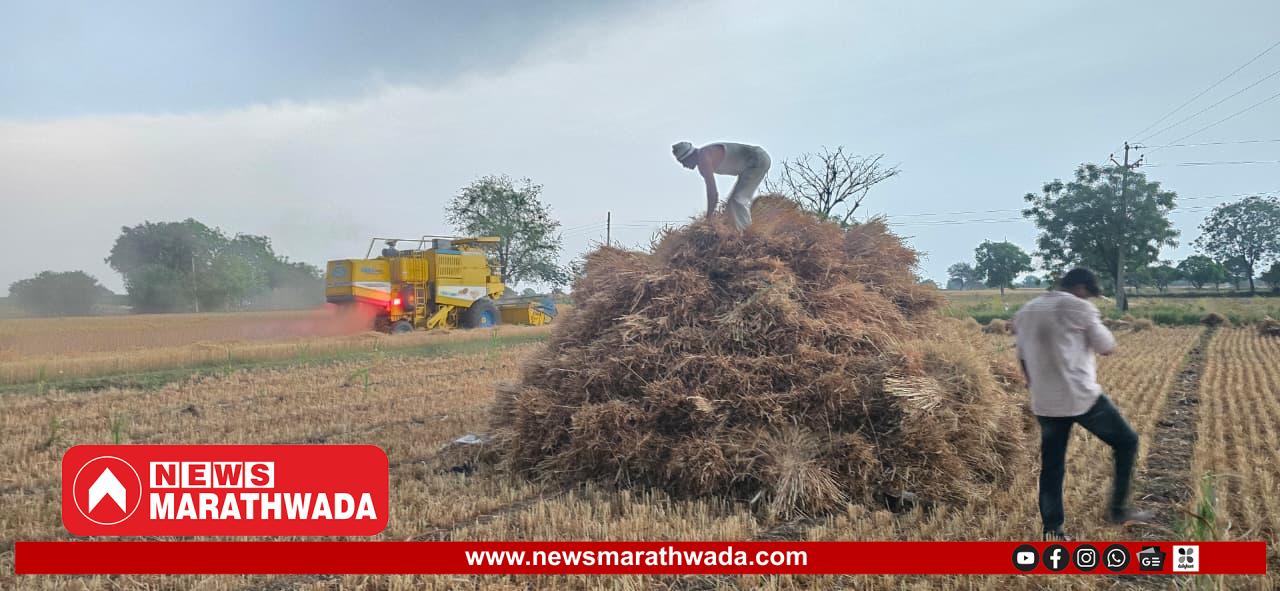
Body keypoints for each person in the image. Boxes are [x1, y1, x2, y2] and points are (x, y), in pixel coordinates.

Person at [1012, 268, 1153, 541]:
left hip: (1045, 400)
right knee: (1127, 442)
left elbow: (1022, 358)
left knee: (1052, 466)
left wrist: (1035, 385)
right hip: (1081, 397)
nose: (1089, 299)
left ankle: (1053, 530)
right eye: (1089, 294)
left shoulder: (1027, 310)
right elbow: (1107, 346)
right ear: (1080, 288)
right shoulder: (1079, 307)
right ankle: (1118, 510)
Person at [671, 141, 770, 231]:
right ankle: (741, 232)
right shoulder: (704, 156)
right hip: (752, 164)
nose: (684, 166)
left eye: (683, 162)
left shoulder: (704, 158)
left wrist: (709, 218)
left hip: (757, 160)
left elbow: (713, 193)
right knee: (731, 206)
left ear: (689, 156)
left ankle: (747, 235)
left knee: (736, 200)